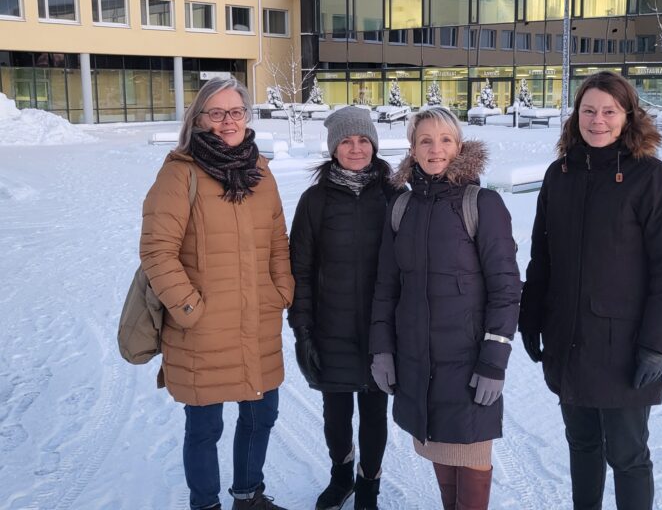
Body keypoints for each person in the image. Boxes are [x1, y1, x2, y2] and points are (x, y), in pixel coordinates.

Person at [519, 71, 662, 510]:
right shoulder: (558, 175)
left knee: (628, 456)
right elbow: (542, 257)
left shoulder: (652, 178)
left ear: (628, 116)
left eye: (609, 111)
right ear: (576, 115)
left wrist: (656, 346)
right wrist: (531, 318)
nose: (598, 120)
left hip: (625, 350)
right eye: (589, 110)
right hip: (567, 341)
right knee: (582, 446)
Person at [140, 77, 294, 510]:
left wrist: (281, 289)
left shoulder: (261, 172)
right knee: (204, 427)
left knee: (261, 415)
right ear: (199, 119)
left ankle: (248, 496)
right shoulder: (179, 172)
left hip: (257, 320)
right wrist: (189, 307)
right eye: (217, 113)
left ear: (247, 116)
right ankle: (204, 504)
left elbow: (278, 241)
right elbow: (157, 250)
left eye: (236, 112)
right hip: (202, 326)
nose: (228, 121)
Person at [369, 107, 522, 510]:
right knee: (438, 450)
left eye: (445, 140)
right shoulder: (402, 207)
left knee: (472, 457)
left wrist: (495, 359)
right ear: (412, 148)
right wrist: (382, 348)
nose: (436, 149)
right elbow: (386, 286)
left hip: (468, 362)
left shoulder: (481, 204)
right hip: (417, 361)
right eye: (425, 140)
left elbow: (506, 288)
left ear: (459, 146)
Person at [288, 106, 398, 510]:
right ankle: (342, 475)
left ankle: (369, 485)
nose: (356, 148)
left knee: (374, 414)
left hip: (379, 331)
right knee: (336, 417)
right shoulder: (314, 201)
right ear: (334, 148)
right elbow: (298, 268)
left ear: (374, 144)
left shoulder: (394, 195)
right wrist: (302, 331)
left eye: (363, 140)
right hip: (329, 328)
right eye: (347, 141)